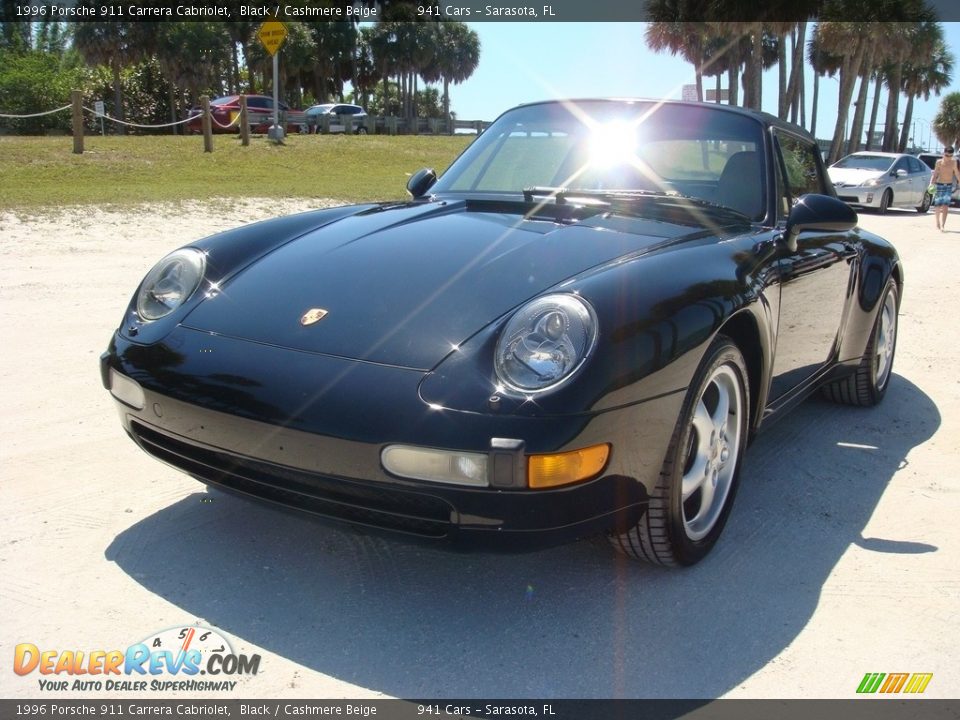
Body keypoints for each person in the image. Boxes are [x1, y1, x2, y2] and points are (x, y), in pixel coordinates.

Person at [930, 146, 960, 232]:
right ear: (944, 154)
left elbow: (957, 173)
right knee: (938, 205)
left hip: (948, 185)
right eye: (947, 155)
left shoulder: (954, 162)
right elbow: (935, 174)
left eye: (950, 156)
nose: (948, 158)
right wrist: (931, 183)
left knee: (946, 206)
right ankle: (937, 223)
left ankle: (943, 225)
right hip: (939, 185)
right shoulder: (939, 162)